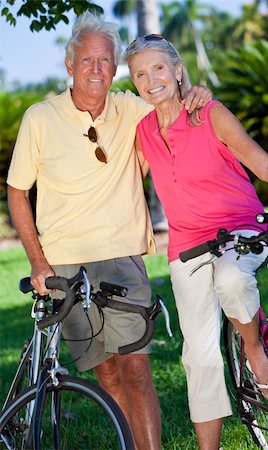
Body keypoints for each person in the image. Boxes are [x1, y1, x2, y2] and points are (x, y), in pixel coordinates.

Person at [6, 11, 212, 450]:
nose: (96, 69)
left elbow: (172, 101)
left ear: (114, 66)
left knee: (136, 368)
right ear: (69, 65)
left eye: (105, 60)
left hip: (121, 257)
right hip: (64, 262)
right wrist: (38, 262)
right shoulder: (39, 118)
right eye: (87, 60)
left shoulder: (132, 109)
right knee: (106, 372)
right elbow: (17, 191)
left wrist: (196, 91)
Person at [125, 35, 268, 449]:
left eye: (159, 68)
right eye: (140, 74)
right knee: (198, 357)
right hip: (186, 246)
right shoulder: (142, 132)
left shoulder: (210, 113)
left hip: (241, 227)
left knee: (232, 279)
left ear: (178, 70)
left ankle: (253, 347)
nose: (151, 80)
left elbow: (264, 163)